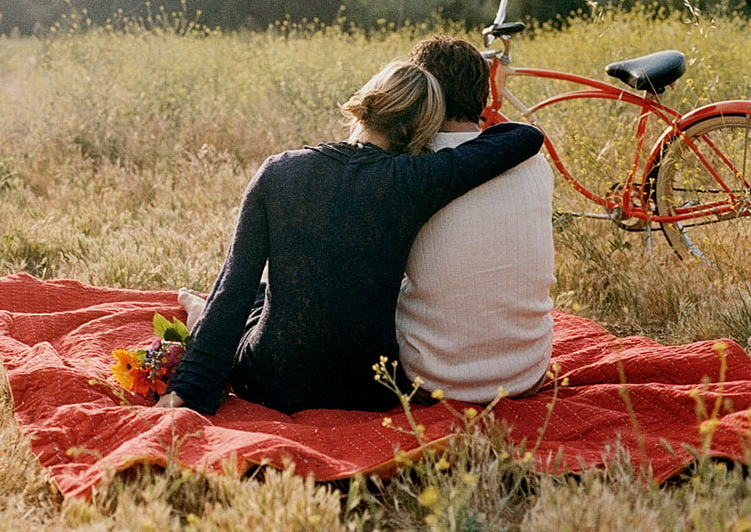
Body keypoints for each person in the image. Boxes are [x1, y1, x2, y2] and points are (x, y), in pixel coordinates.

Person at [157, 60, 546, 415]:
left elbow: (232, 290)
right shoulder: (417, 180)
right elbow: (525, 136)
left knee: (254, 294)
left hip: (272, 382)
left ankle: (197, 312)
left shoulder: (278, 171)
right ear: (419, 129)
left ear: (363, 103)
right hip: (370, 390)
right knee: (268, 296)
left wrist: (187, 389)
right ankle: (199, 309)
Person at [397, 36, 556, 404]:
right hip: (527, 372)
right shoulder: (535, 164)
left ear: (419, 94)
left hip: (431, 378)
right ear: (483, 95)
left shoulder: (411, 173)